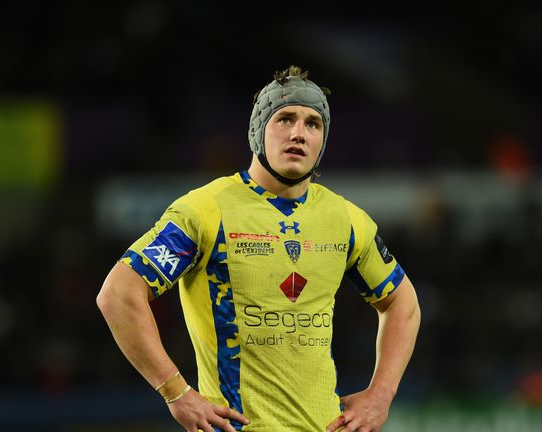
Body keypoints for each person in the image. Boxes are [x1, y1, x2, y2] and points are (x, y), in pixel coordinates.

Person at [97, 65, 421, 432]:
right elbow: (120, 293)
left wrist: (381, 395)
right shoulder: (207, 210)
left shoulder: (346, 219)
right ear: (257, 131)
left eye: (313, 124)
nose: (299, 133)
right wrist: (176, 392)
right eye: (285, 119)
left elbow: (402, 303)